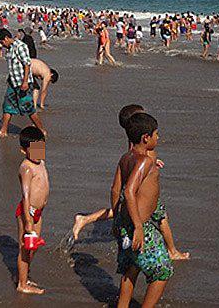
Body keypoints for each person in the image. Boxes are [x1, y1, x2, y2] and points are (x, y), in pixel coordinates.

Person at [71, 105, 188, 262]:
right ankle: (172, 251)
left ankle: (85, 219)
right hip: (143, 186)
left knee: (124, 209)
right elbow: (138, 162)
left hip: (140, 181)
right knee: (161, 218)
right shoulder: (142, 137)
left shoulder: (138, 139)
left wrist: (154, 163)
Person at [113, 112, 172, 308]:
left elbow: (115, 190)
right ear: (145, 138)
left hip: (125, 223)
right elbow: (129, 191)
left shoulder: (126, 157)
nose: (158, 138)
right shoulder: (144, 161)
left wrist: (116, 222)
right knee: (162, 271)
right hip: (140, 226)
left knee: (131, 267)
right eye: (156, 134)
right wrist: (138, 227)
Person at [0, 28, 44, 137]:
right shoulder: (10, 49)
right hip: (13, 83)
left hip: (23, 84)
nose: (2, 45)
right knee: (7, 106)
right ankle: (3, 131)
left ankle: (41, 130)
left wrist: (25, 82)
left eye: (1, 42)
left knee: (28, 109)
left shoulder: (20, 46)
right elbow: (13, 67)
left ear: (6, 38)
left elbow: (27, 64)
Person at [15, 126, 49, 295]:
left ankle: (24, 276)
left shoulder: (41, 163)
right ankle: (22, 283)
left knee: (32, 247)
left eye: (41, 148)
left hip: (38, 213)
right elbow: (25, 195)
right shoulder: (26, 167)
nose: (39, 152)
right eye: (34, 149)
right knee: (25, 247)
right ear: (24, 150)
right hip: (27, 212)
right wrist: (28, 220)